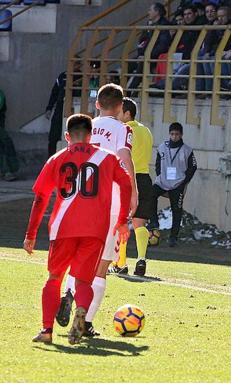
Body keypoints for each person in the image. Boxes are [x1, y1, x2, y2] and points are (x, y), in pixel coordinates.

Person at [24, 114, 131, 345]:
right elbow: (126, 184)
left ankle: (46, 330)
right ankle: (81, 311)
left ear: (67, 136)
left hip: (63, 227)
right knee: (84, 281)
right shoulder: (108, 157)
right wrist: (122, 220)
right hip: (95, 230)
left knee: (54, 278)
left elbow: (40, 198)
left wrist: (30, 234)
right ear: (91, 135)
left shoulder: (56, 158)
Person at [59, 84, 138, 337]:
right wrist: (133, 192)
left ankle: (69, 293)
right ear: (120, 107)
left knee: (81, 260)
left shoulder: (85, 127)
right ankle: (87, 322)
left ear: (97, 105)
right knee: (102, 266)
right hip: (110, 204)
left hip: (82, 201)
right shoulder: (122, 129)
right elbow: (124, 159)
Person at [110, 98, 153, 277]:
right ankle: (141, 259)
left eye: (119, 112)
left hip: (128, 178)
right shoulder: (146, 131)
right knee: (139, 223)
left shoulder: (125, 131)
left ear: (127, 113)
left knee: (122, 221)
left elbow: (122, 157)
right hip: (145, 178)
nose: (117, 116)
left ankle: (121, 263)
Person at [149, 122, 197, 247]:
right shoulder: (162, 147)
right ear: (169, 134)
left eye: (177, 134)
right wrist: (160, 175)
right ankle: (154, 223)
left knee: (177, 210)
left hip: (177, 184)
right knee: (150, 195)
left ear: (181, 135)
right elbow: (158, 164)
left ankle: (173, 237)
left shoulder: (187, 150)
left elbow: (193, 167)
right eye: (172, 134)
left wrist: (184, 182)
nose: (174, 137)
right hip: (163, 181)